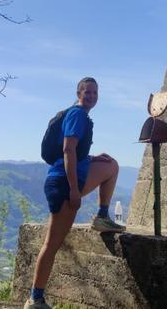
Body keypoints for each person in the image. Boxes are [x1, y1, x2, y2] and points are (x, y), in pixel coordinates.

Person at [25, 77, 125, 309]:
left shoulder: (79, 115)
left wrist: (92, 158)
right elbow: (68, 149)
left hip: (67, 179)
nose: (91, 96)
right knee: (52, 244)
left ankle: (102, 216)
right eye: (87, 92)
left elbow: (75, 152)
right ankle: (35, 299)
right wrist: (74, 190)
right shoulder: (78, 114)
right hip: (63, 183)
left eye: (95, 93)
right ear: (79, 93)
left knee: (111, 165)